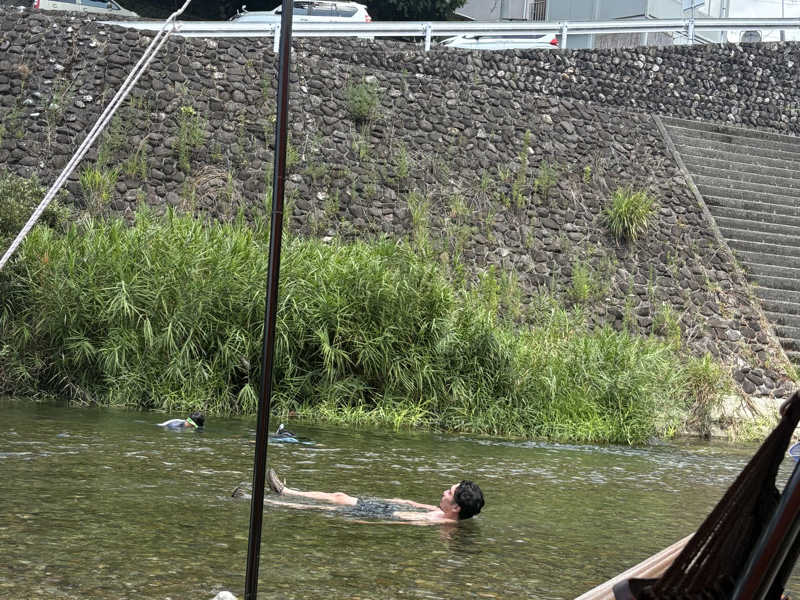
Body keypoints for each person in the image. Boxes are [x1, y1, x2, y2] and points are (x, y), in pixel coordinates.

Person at [256, 468, 484, 524]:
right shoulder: (444, 512)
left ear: (456, 508)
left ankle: (266, 502)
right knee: (339, 495)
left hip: (382, 515)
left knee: (328, 508)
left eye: (449, 492)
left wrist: (368, 520)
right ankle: (285, 492)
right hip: (385, 509)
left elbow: (407, 521)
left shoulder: (442, 523)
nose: (444, 492)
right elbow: (420, 506)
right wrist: (403, 501)